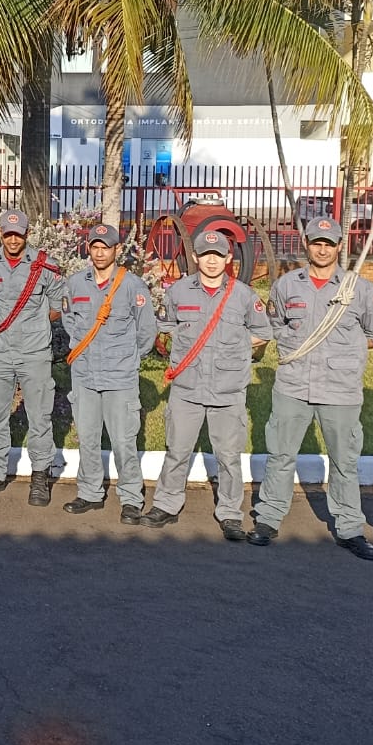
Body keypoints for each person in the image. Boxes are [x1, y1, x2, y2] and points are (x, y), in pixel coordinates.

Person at [248, 217, 373, 558]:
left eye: (329, 243)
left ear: (339, 246)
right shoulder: (286, 285)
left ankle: (349, 528)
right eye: (316, 243)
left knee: (344, 461)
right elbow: (273, 325)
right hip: (293, 385)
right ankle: (268, 518)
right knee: (281, 455)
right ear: (306, 244)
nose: (322, 249)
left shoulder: (360, 290)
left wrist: (346, 350)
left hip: (340, 389)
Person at [144, 228, 271, 538]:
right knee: (177, 450)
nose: (211, 261)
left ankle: (230, 513)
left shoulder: (243, 295)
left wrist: (235, 347)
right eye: (205, 255)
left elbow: (263, 332)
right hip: (187, 386)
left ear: (228, 258)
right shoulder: (179, 292)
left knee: (228, 457)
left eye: (218, 255)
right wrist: (186, 343)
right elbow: (165, 324)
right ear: (195, 257)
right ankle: (166, 504)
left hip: (227, 389)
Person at [58, 223, 156, 523]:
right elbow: (69, 320)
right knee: (87, 438)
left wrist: (126, 358)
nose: (100, 253)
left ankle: (131, 498)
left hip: (119, 377)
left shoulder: (133, 286)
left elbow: (146, 332)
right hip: (85, 374)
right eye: (95, 247)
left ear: (117, 250)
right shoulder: (76, 283)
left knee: (123, 441)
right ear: (89, 249)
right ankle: (89, 492)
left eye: (106, 247)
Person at [0, 209, 64, 502]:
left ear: (27, 234)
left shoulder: (45, 265)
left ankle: (40, 476)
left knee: (40, 416)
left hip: (34, 352)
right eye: (8, 234)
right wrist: (8, 325)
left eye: (19, 234)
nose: (13, 240)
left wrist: (30, 326)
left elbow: (56, 308)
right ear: (0, 233)